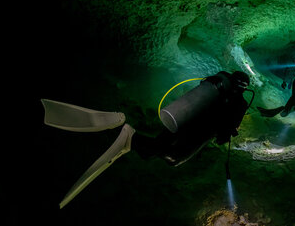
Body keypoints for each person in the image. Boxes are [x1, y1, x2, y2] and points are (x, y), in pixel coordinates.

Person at [41, 70, 253, 208]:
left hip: (183, 119)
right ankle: (129, 137)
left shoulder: (217, 85)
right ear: (244, 88)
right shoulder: (240, 103)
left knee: (155, 148)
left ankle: (125, 136)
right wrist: (228, 134)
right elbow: (224, 132)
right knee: (173, 157)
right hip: (199, 132)